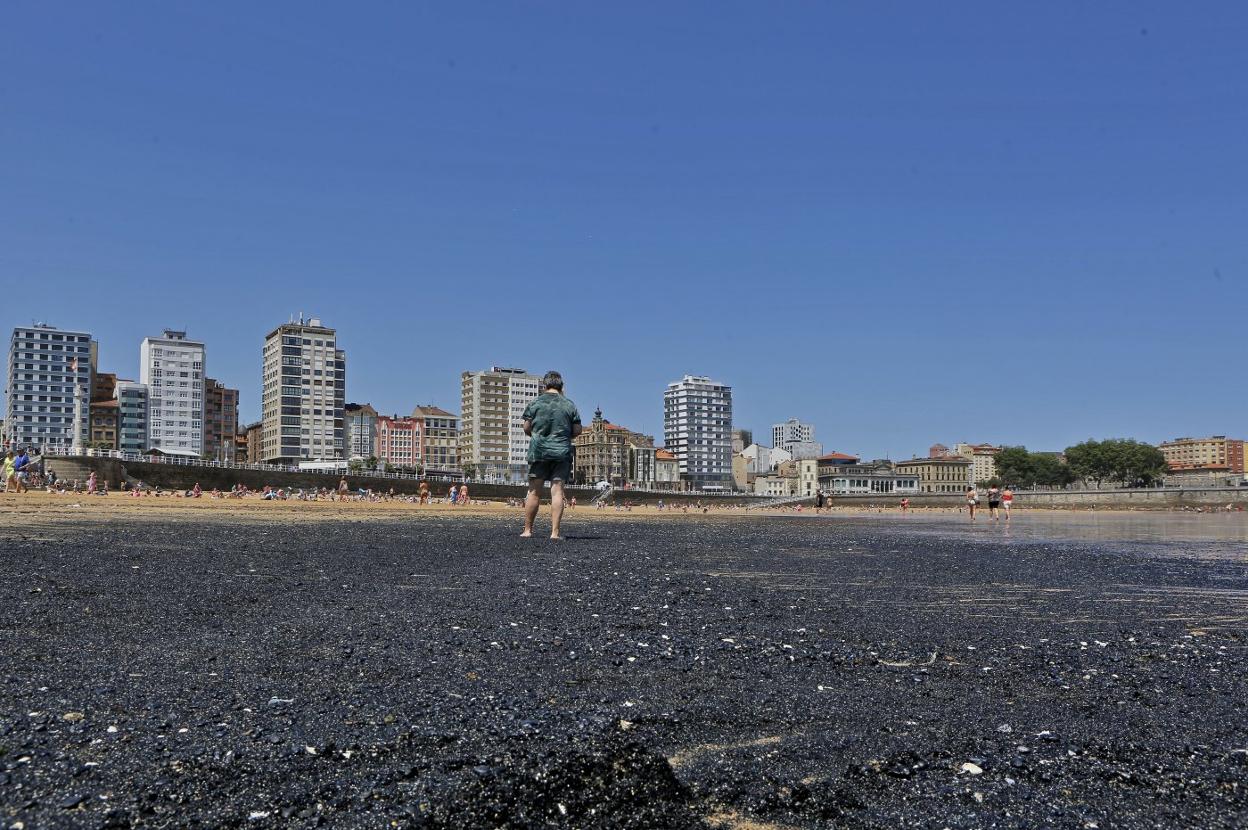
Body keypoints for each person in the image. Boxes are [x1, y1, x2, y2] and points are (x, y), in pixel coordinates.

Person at [521, 371, 582, 540]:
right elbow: (577, 430)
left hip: (539, 451)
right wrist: (564, 436)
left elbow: (527, 427)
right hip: (561, 452)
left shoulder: (535, 403)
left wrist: (537, 436)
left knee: (534, 492)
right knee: (557, 492)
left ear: (545, 385)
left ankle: (527, 530)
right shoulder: (569, 405)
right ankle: (554, 533)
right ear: (561, 386)